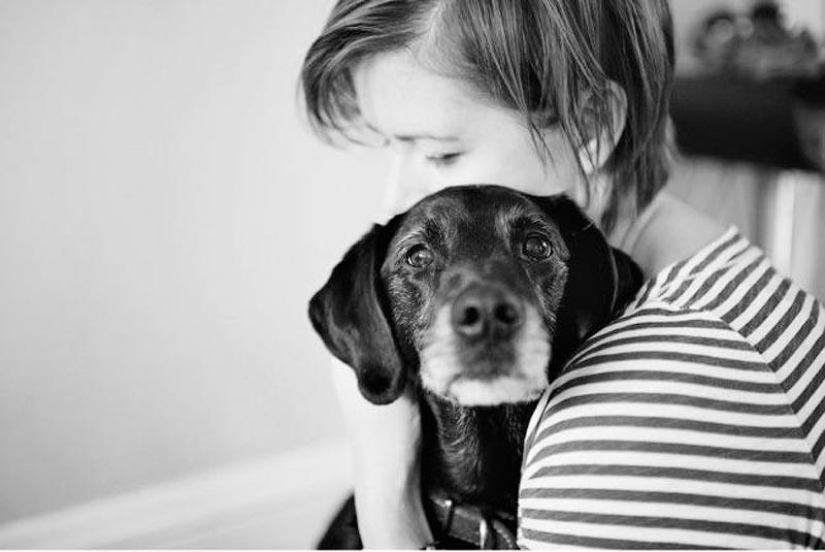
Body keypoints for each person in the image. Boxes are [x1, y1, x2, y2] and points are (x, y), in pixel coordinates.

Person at [300, 0, 825, 548]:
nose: (398, 196)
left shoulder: (611, 447)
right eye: (392, 147)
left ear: (593, 125)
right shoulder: (727, 284)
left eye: (441, 153)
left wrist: (384, 485)